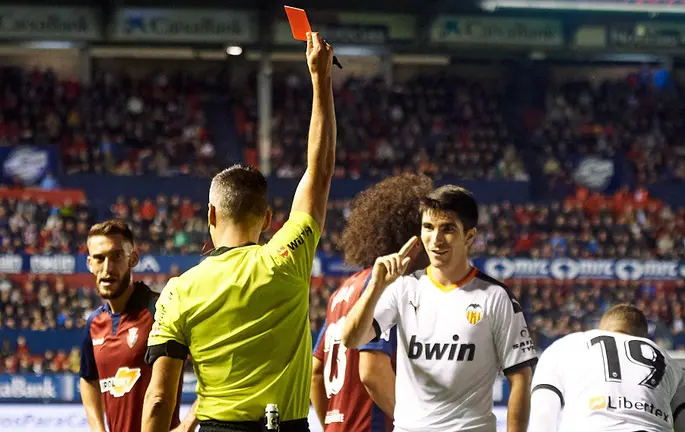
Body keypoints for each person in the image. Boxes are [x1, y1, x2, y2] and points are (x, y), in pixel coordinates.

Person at [141, 31, 336, 432]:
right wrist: (320, 80)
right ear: (267, 219)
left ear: (210, 214)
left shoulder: (180, 290)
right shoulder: (286, 257)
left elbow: (160, 398)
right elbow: (318, 172)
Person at [341, 185, 537, 432]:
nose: (435, 240)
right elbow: (351, 339)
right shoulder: (403, 289)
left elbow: (520, 378)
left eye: (448, 229)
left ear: (469, 236)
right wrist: (376, 287)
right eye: (428, 228)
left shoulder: (496, 297)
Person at [310, 174, 433, 432]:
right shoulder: (389, 287)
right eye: (428, 231)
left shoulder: (343, 290)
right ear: (413, 240)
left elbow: (315, 372)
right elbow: (372, 372)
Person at [79, 220, 197, 432]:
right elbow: (87, 379)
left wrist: (188, 424)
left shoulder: (161, 310)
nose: (107, 268)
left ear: (133, 259)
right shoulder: (94, 323)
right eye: (99, 259)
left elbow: (215, 364)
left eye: (116, 256)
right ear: (90, 263)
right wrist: (98, 429)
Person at [528, 304, 685, 432]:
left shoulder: (565, 346)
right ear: (643, 337)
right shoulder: (669, 361)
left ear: (602, 328)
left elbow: (543, 416)